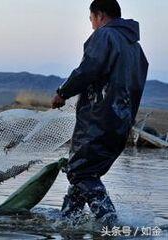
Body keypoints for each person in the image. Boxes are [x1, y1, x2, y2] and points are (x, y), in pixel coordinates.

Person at [51, 0, 149, 225]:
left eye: (92, 20)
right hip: (120, 122)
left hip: (98, 119)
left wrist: (63, 92)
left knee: (81, 172)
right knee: (83, 172)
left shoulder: (105, 36)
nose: (92, 26)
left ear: (100, 15)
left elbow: (88, 69)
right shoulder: (135, 47)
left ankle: (110, 224)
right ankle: (66, 223)